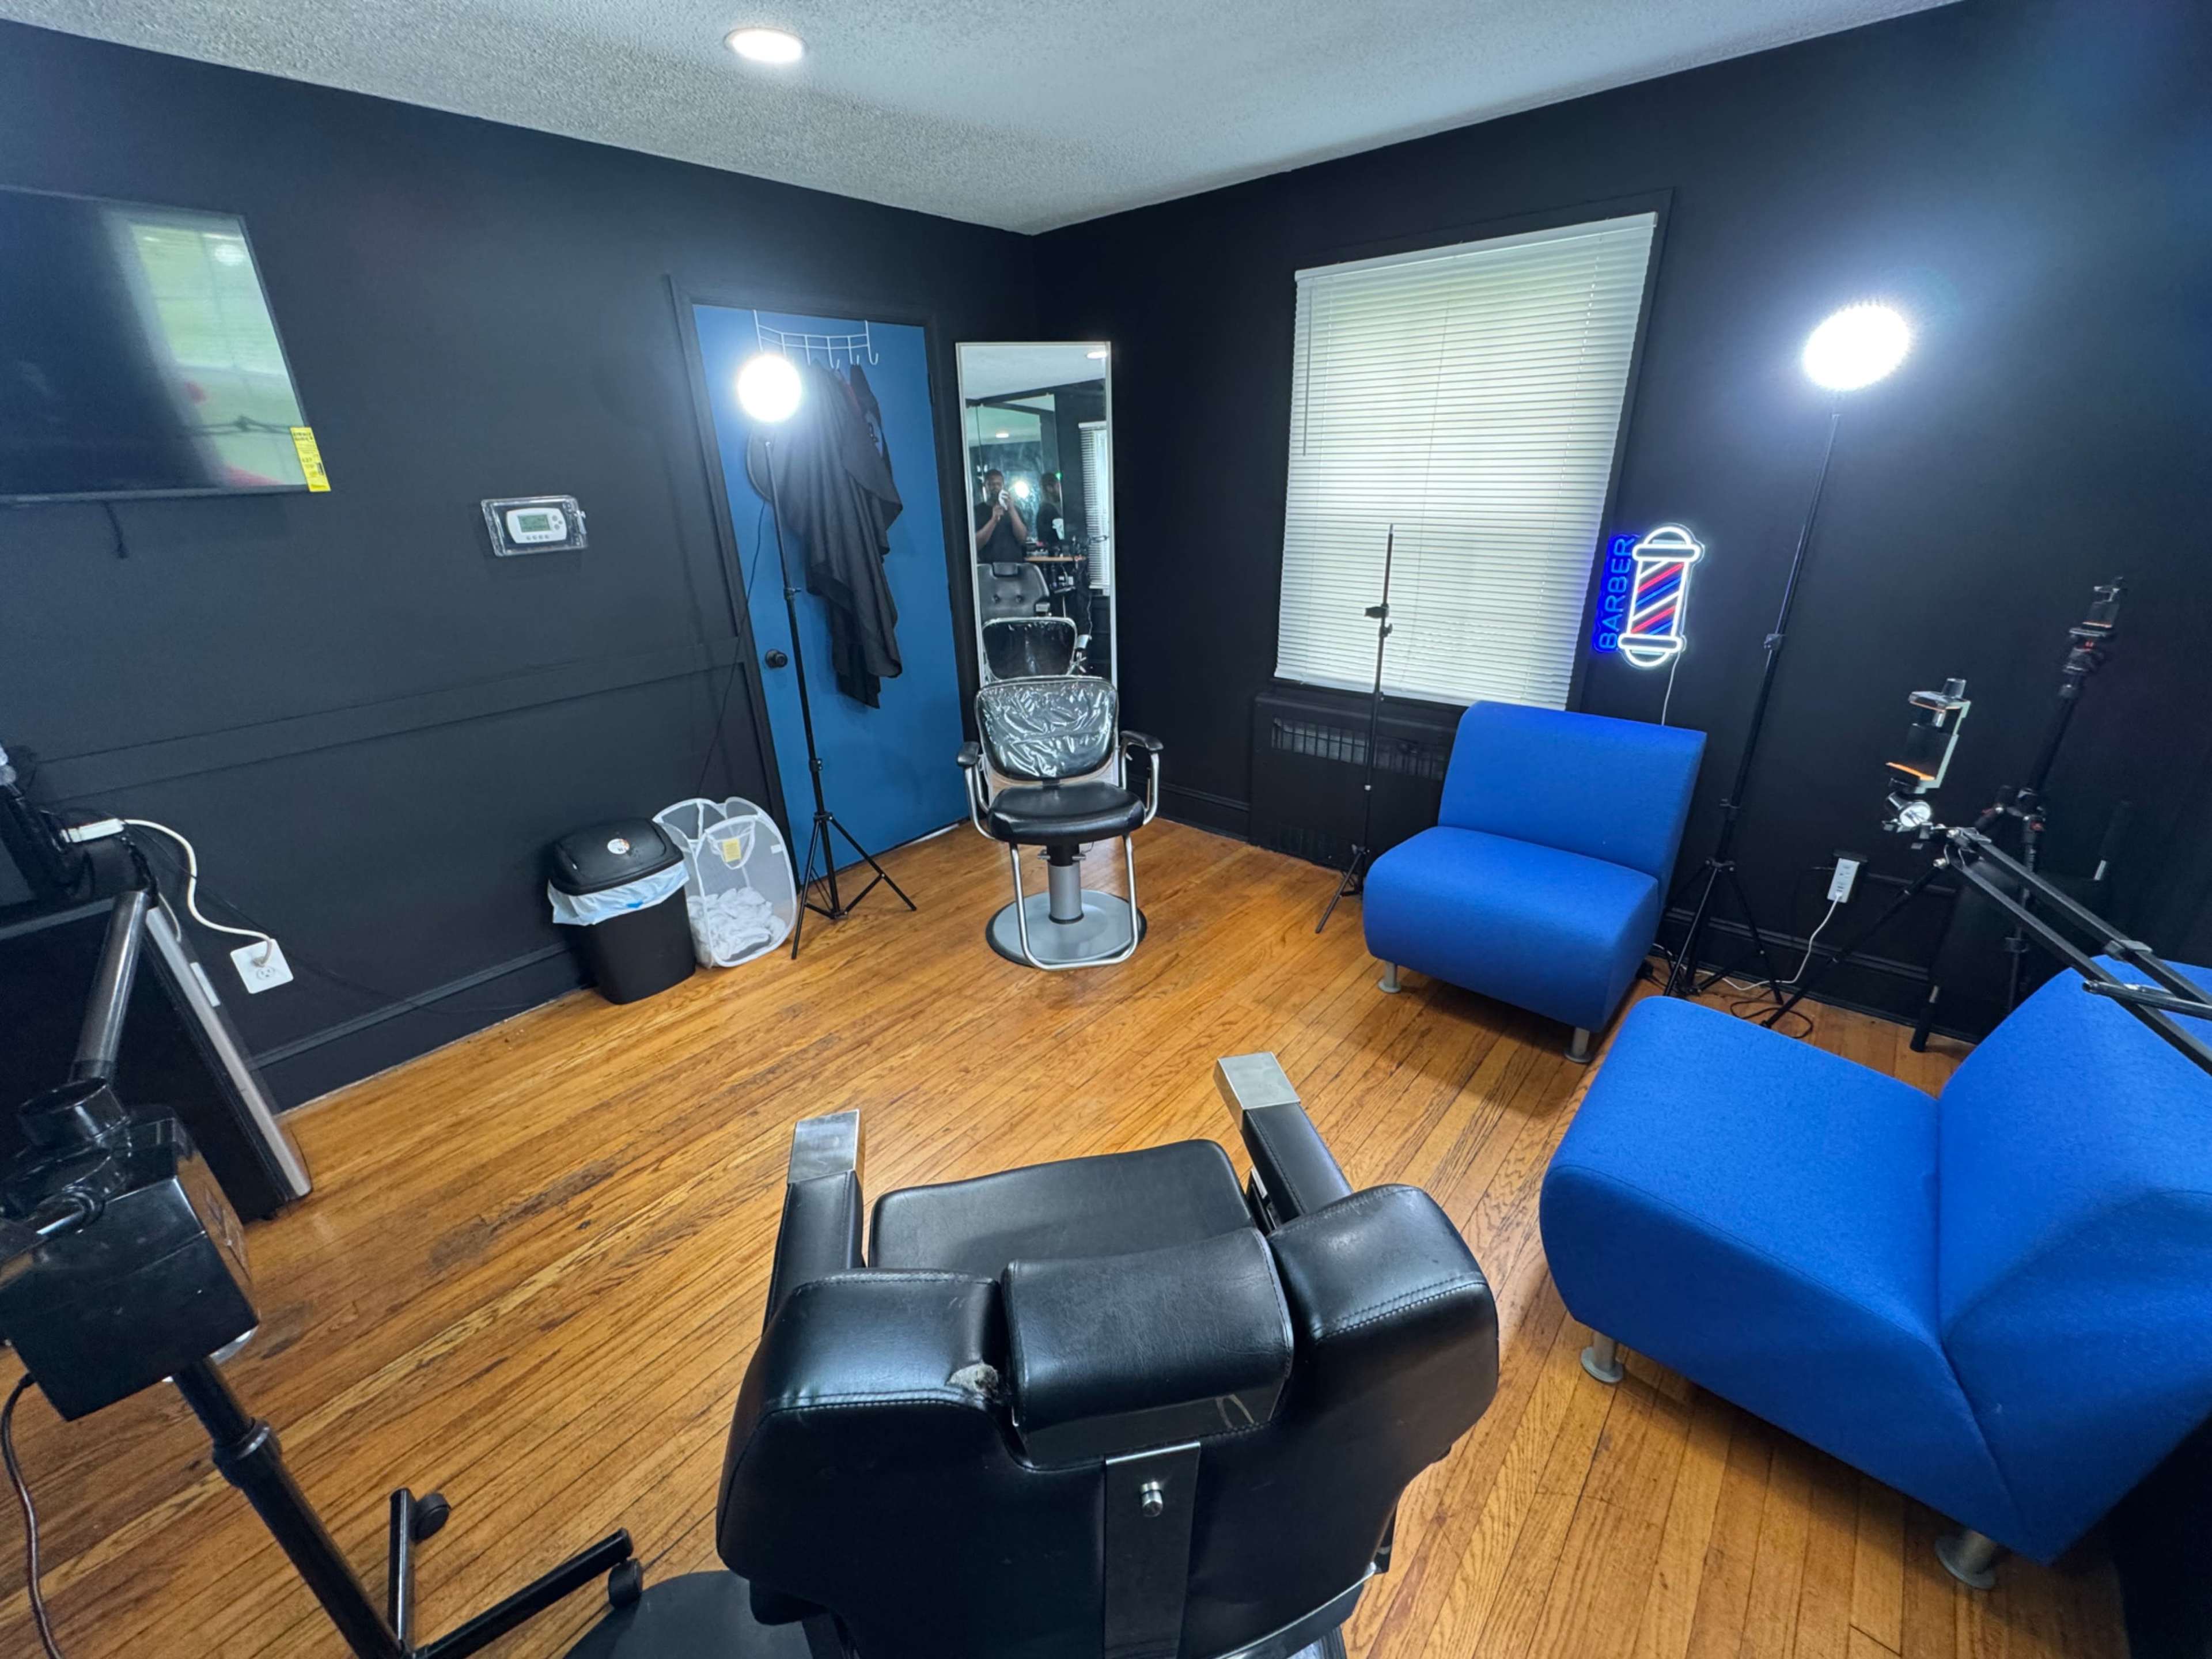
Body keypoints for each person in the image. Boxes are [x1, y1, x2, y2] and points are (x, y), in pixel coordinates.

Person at [973, 469, 1028, 563]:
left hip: (1014, 566)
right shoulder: (977, 511)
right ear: (985, 487)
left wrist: (1011, 509)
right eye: (991, 484)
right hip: (988, 568)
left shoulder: (1015, 510)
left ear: (1003, 486)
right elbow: (975, 544)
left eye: (999, 484)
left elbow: (1022, 539)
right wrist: (993, 520)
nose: (996, 488)